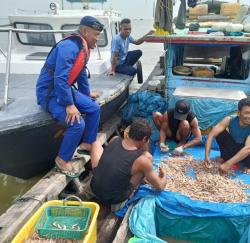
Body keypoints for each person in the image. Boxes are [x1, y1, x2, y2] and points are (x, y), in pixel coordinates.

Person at [36, 16, 104, 177]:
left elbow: (80, 73)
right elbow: (60, 78)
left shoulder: (83, 46)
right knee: (77, 123)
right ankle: (62, 159)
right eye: (96, 34)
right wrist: (69, 104)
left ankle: (87, 142)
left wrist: (86, 94)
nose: (98, 39)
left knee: (93, 107)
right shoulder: (68, 46)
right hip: (49, 93)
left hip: (64, 89)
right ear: (85, 31)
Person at [86, 118, 167, 207]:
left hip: (94, 188)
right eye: (147, 140)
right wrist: (164, 175)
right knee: (147, 160)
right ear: (144, 139)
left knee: (97, 145)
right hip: (114, 199)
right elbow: (160, 186)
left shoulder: (115, 139)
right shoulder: (143, 161)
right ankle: (138, 184)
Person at [205, 98, 250, 173]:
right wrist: (207, 156)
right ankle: (225, 157)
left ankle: (248, 165)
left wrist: (227, 164)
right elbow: (211, 135)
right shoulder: (229, 120)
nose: (249, 116)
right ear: (238, 113)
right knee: (220, 133)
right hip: (235, 147)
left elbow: (248, 149)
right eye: (247, 113)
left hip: (246, 151)